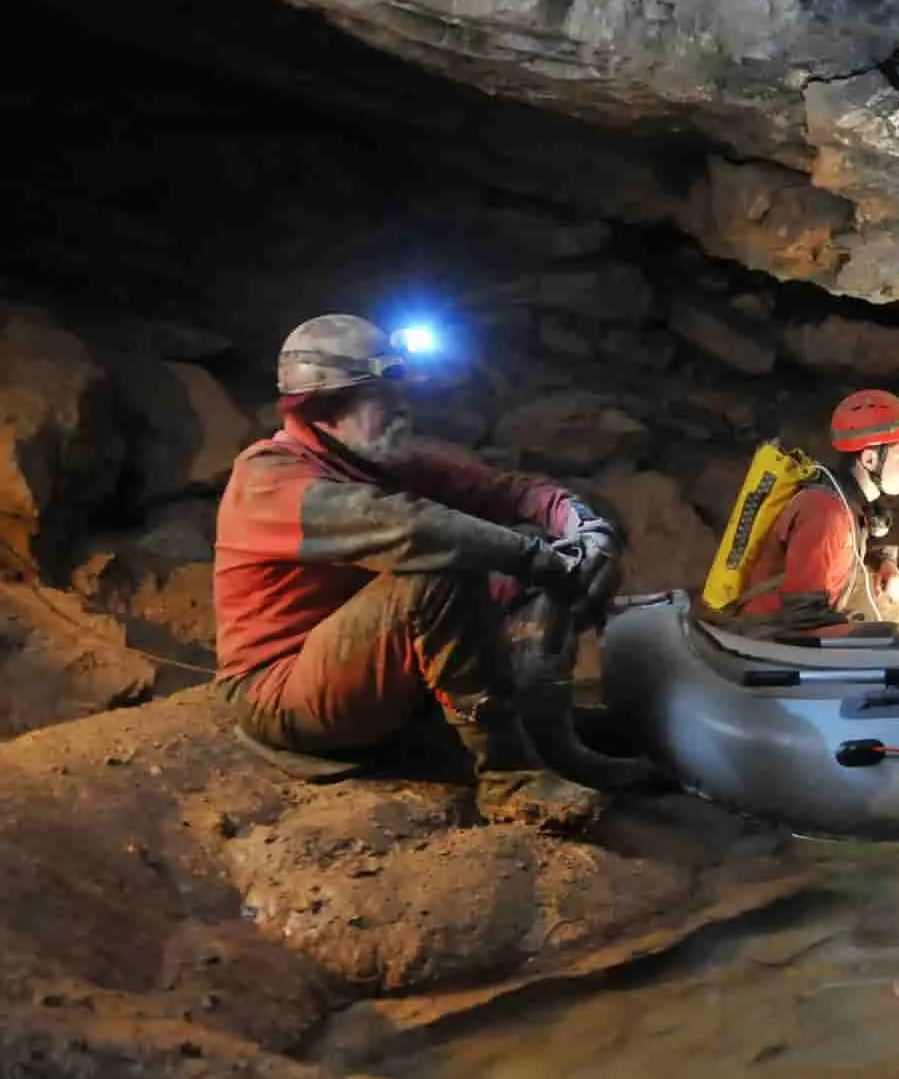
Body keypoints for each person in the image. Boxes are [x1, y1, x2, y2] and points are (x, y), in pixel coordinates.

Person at [213, 313, 620, 830]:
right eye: (384, 398)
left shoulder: (373, 456)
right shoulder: (270, 476)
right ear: (325, 408)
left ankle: (551, 740)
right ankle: (510, 781)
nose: (404, 408)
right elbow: (416, 530)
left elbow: (509, 491)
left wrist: (582, 527)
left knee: (526, 567)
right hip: (279, 690)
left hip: (367, 667)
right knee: (444, 569)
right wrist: (547, 561)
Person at [736, 389, 899, 622]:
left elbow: (845, 548)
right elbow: (803, 615)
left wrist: (885, 563)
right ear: (869, 459)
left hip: (788, 631)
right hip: (768, 637)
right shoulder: (827, 514)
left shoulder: (849, 503)